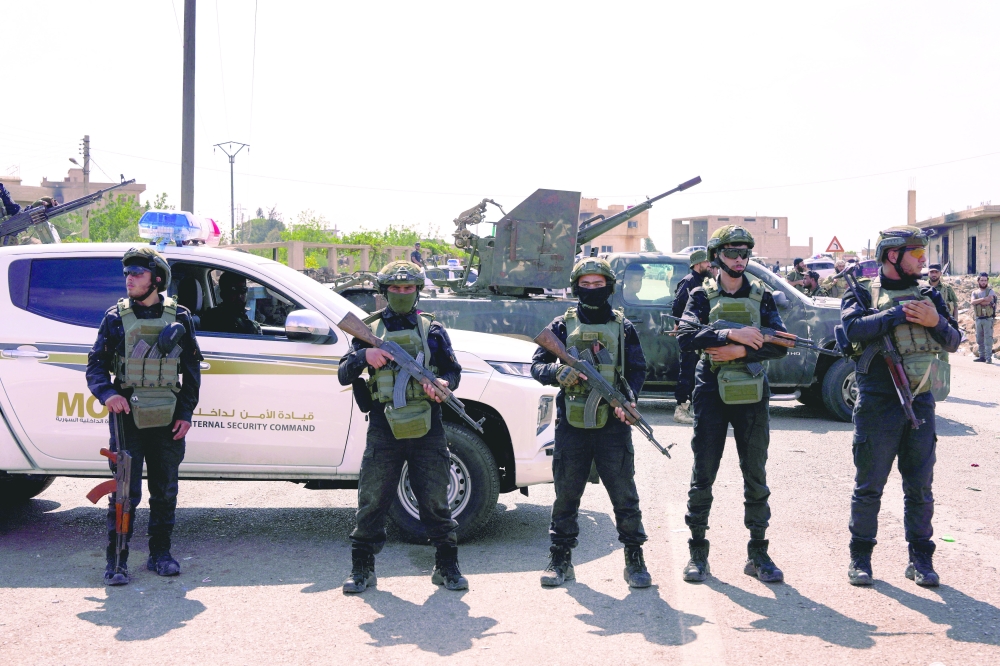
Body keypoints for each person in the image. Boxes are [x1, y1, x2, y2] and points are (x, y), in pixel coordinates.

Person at [337, 260, 467, 593]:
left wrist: (441, 383)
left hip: (427, 425)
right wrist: (364, 357)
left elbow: (453, 372)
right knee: (373, 498)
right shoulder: (369, 330)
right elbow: (343, 373)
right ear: (384, 292)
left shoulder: (432, 329)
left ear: (417, 291)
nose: (402, 294)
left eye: (408, 288)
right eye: (395, 289)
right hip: (384, 425)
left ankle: (447, 566)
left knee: (436, 499)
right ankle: (361, 568)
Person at [841, 226, 960, 587]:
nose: (924, 261)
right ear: (893, 256)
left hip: (920, 401)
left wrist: (934, 320)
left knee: (920, 487)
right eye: (917, 254)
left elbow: (954, 340)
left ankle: (920, 560)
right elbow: (853, 330)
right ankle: (860, 557)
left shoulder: (929, 296)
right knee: (869, 485)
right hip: (878, 402)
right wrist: (897, 314)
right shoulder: (862, 293)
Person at [676, 225, 788, 584]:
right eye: (732, 253)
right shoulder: (700, 295)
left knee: (755, 473)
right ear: (717, 257)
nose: (740, 260)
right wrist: (729, 333)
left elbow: (782, 342)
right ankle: (697, 552)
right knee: (703, 472)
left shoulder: (762, 296)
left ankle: (759, 552)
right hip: (711, 389)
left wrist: (741, 349)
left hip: (751, 392)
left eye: (745, 253)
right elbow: (685, 336)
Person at [531, 257, 651, 589]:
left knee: (624, 494)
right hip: (572, 424)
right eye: (586, 284)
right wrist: (558, 372)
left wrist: (629, 400)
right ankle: (560, 558)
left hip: (613, 426)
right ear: (576, 287)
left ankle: (634, 558)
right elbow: (537, 366)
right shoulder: (561, 325)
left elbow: (638, 369)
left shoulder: (623, 326)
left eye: (599, 285)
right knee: (566, 495)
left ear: (609, 287)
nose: (593, 290)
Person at [86, 247, 202, 585]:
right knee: (124, 492)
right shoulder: (113, 318)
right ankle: (117, 561)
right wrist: (108, 395)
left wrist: (185, 413)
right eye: (127, 273)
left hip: (168, 417)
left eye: (137, 272)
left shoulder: (179, 317)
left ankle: (160, 555)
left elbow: (192, 370)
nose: (129, 278)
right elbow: (95, 367)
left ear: (157, 279)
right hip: (127, 418)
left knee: (165, 491)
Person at [671, 249, 714, 425]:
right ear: (697, 264)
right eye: (706, 262)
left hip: (700, 333)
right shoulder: (689, 281)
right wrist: (683, 325)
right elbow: (677, 306)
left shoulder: (705, 281)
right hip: (689, 333)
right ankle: (681, 409)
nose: (709, 265)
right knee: (687, 371)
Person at [971, 272, 997, 363]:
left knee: (988, 339)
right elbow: (972, 302)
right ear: (978, 281)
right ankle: (982, 357)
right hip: (978, 318)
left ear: (987, 281)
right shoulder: (975, 292)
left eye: (985, 280)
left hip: (988, 319)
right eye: (981, 280)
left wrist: (978, 301)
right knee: (979, 339)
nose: (983, 282)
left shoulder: (990, 291)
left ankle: (988, 358)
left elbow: (989, 300)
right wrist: (982, 299)